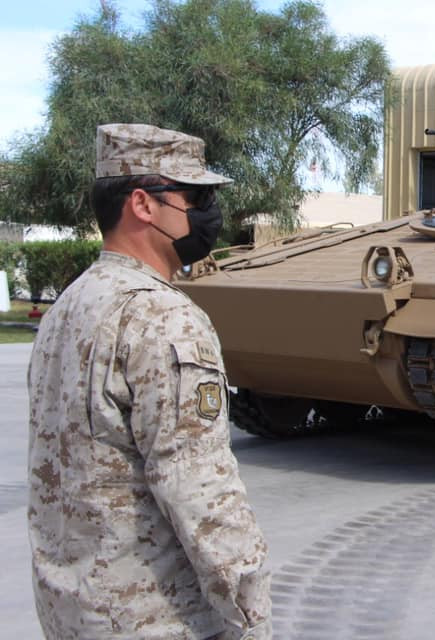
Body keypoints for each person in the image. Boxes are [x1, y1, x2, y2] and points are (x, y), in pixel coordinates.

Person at [27, 124, 271, 639]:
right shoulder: (162, 316)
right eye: (195, 196)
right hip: (155, 618)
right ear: (142, 204)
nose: (208, 213)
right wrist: (251, 617)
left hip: (74, 610)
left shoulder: (70, 304)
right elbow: (202, 494)